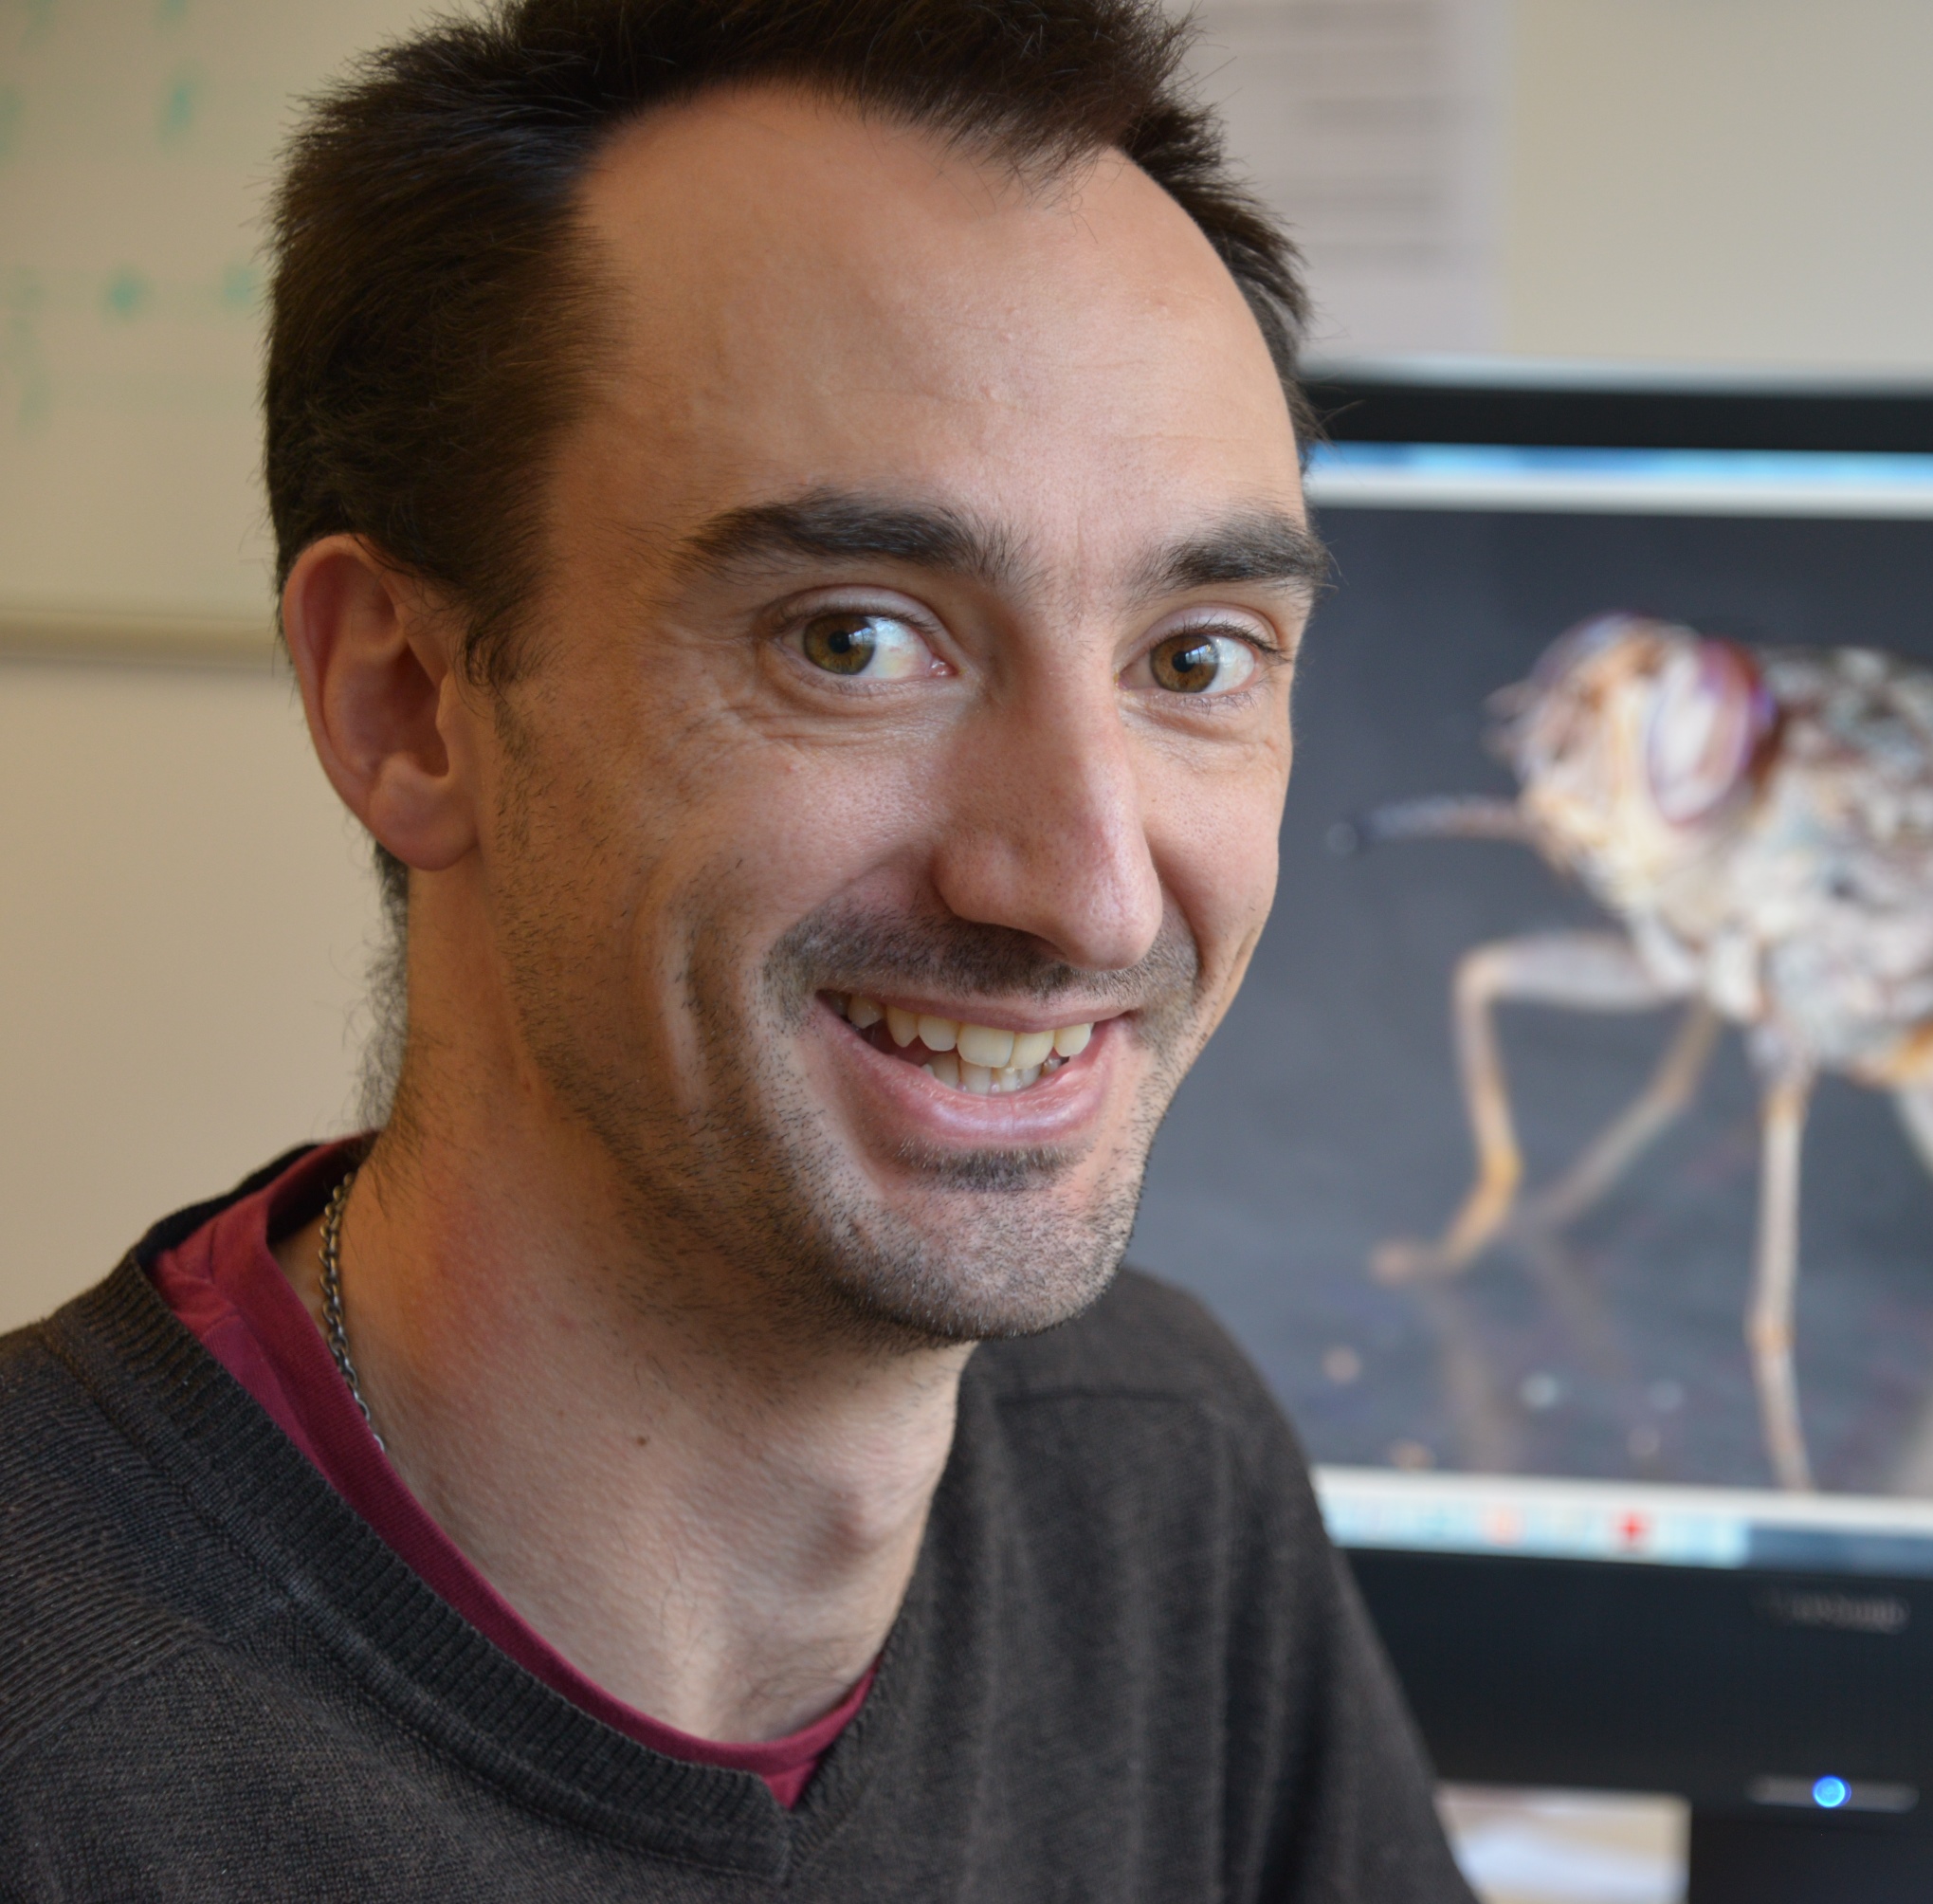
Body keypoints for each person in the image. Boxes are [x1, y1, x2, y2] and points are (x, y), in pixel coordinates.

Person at [0, 2, 1473, 1895]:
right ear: (405, 702)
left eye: (1194, 658)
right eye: (854, 638)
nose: (1093, 892)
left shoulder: (1149, 1470)